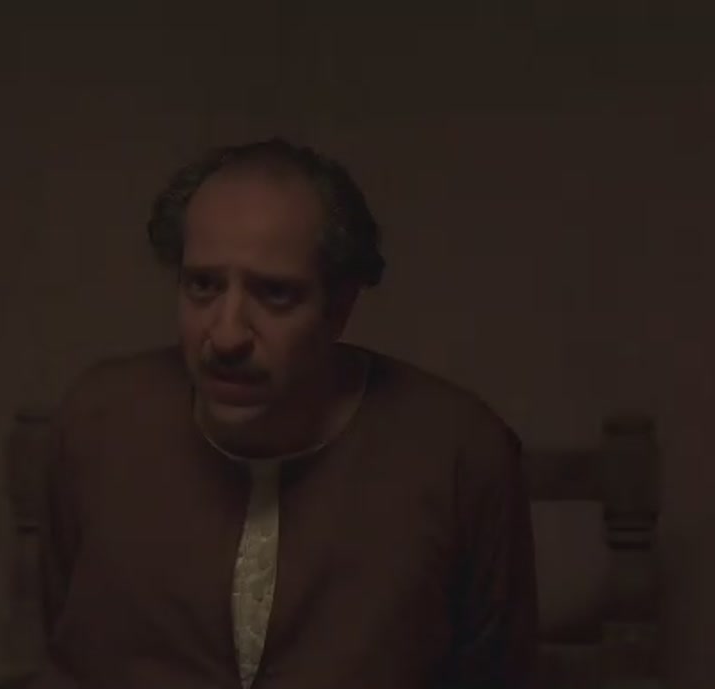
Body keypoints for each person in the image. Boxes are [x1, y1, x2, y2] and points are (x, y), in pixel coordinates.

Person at [31, 139, 538, 689]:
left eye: (274, 293)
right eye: (203, 286)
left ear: (339, 307)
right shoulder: (100, 424)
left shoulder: (459, 455)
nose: (227, 335)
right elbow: (65, 652)